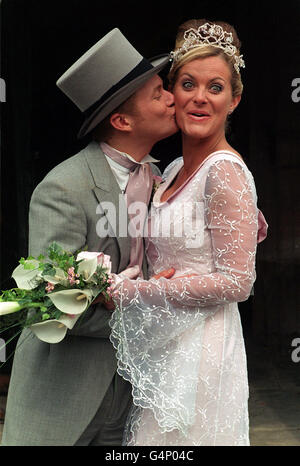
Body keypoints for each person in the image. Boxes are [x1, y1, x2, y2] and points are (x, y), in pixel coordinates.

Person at [1, 28, 177, 446]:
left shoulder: (160, 180)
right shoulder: (64, 187)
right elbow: (46, 304)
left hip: (136, 393)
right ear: (121, 120)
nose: (172, 97)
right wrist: (142, 316)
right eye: (157, 94)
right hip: (66, 396)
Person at [109, 19, 268, 446]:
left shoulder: (226, 172)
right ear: (171, 95)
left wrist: (137, 293)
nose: (200, 98)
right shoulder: (175, 169)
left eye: (215, 87)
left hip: (203, 353)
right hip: (166, 345)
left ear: (234, 100)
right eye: (187, 83)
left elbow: (239, 282)